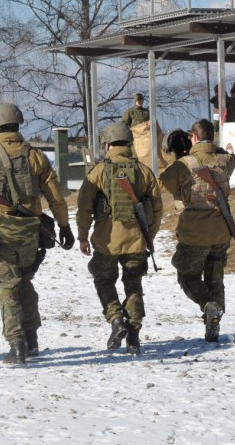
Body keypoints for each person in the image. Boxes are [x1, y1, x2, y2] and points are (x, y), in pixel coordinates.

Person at [0, 103, 74, 364]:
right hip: (31, 232)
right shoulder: (35, 156)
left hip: (2, 232)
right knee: (25, 282)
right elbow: (56, 197)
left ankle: (16, 343)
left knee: (7, 287)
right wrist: (64, 226)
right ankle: (31, 340)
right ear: (18, 124)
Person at [75, 122, 163, 355]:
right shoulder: (144, 172)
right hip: (136, 239)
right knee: (133, 284)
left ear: (107, 144)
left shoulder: (98, 172)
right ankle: (133, 336)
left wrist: (83, 236)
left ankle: (116, 319)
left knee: (103, 279)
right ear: (130, 143)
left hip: (106, 241)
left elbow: (84, 207)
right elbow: (157, 207)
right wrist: (149, 235)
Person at [159, 118, 235, 342]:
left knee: (187, 275)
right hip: (222, 229)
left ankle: (209, 305)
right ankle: (214, 322)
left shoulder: (184, 164)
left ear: (193, 137)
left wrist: (177, 156)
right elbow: (228, 156)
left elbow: (165, 181)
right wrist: (209, 147)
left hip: (194, 232)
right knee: (215, 278)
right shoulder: (227, 160)